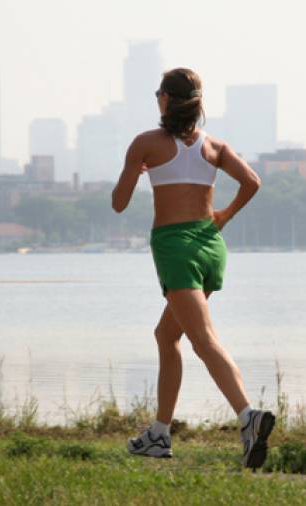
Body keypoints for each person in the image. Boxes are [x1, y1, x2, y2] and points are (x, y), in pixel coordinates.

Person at [111, 67, 275, 468]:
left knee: (202, 338)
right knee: (167, 335)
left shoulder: (146, 144)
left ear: (165, 100)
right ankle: (159, 434)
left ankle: (247, 416)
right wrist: (224, 216)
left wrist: (136, 167)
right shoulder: (214, 146)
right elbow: (252, 181)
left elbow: (118, 202)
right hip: (210, 246)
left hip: (176, 248)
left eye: (157, 94)